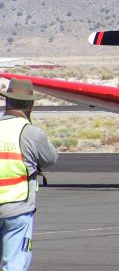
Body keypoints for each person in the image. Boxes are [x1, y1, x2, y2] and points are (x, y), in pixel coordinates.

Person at [0, 78, 58, 270]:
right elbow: (50, 159)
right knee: (15, 264)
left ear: (7, 101)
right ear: (30, 105)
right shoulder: (30, 133)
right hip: (17, 209)